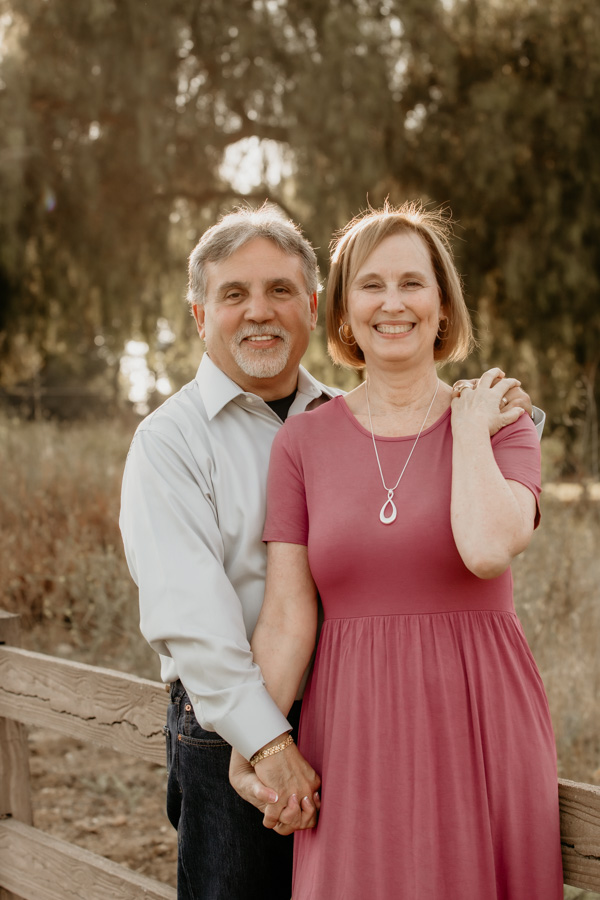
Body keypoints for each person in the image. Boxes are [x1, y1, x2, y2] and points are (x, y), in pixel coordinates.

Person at [119, 204, 544, 900]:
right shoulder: (196, 441)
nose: (260, 311)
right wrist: (259, 741)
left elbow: (487, 548)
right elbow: (249, 617)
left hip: (467, 713)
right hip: (281, 715)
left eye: (280, 290)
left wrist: (470, 428)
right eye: (372, 284)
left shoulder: (491, 420)